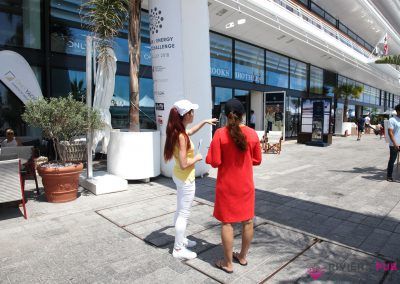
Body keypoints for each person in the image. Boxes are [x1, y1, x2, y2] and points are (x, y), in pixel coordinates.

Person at [206, 98, 262, 274]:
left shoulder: (220, 134)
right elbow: (257, 160)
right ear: (243, 115)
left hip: (226, 186)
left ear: (226, 115)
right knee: (248, 221)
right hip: (246, 186)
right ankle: (243, 256)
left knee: (227, 223)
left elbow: (214, 162)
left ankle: (228, 263)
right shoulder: (252, 134)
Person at [164, 99, 217, 260]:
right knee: (183, 214)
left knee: (180, 210)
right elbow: (184, 163)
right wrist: (198, 157)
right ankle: (178, 249)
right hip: (185, 178)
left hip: (180, 177)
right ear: (186, 115)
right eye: (192, 112)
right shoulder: (181, 136)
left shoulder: (178, 130)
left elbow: (191, 131)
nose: (194, 113)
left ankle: (181, 239)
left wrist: (204, 122)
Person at [386, 104, 400, 182]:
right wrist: (395, 144)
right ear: (397, 111)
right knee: (392, 160)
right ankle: (389, 176)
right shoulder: (392, 120)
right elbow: (390, 132)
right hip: (394, 144)